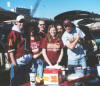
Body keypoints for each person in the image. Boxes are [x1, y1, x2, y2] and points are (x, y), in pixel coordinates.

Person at [8, 15, 33, 86]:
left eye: (23, 21)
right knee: (16, 83)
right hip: (18, 63)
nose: (22, 23)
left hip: (26, 63)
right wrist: (14, 64)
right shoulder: (13, 33)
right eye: (20, 22)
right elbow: (11, 51)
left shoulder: (24, 32)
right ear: (16, 22)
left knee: (24, 83)